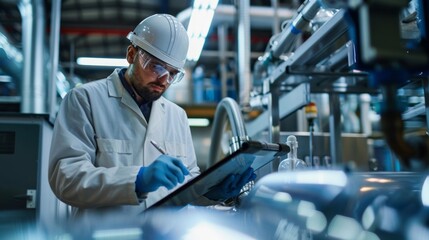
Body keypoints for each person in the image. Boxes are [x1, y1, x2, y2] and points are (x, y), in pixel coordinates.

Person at [48, 13, 256, 218]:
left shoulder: (177, 116)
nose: (164, 80)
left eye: (173, 73)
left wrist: (210, 193)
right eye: (156, 66)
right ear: (131, 54)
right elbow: (66, 179)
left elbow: (186, 185)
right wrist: (137, 179)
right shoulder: (85, 99)